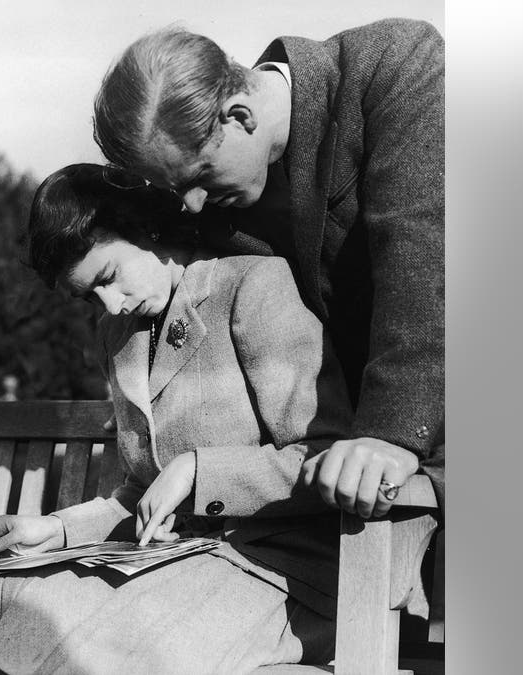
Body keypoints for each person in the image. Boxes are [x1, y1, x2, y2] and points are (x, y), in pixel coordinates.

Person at [0, 164, 354, 674]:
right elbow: (138, 493)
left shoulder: (254, 287)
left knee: (66, 625)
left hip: (283, 575)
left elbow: (325, 458)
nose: (110, 305)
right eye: (89, 296)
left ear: (146, 229)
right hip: (175, 565)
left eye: (108, 277)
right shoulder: (120, 337)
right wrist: (55, 530)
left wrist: (198, 471)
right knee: (0, 589)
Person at [92, 19, 445, 517]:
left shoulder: (394, 65)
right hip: (336, 478)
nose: (192, 207)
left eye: (200, 176)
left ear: (239, 115)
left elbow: (424, 262)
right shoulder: (211, 205)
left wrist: (390, 434)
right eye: (176, 190)